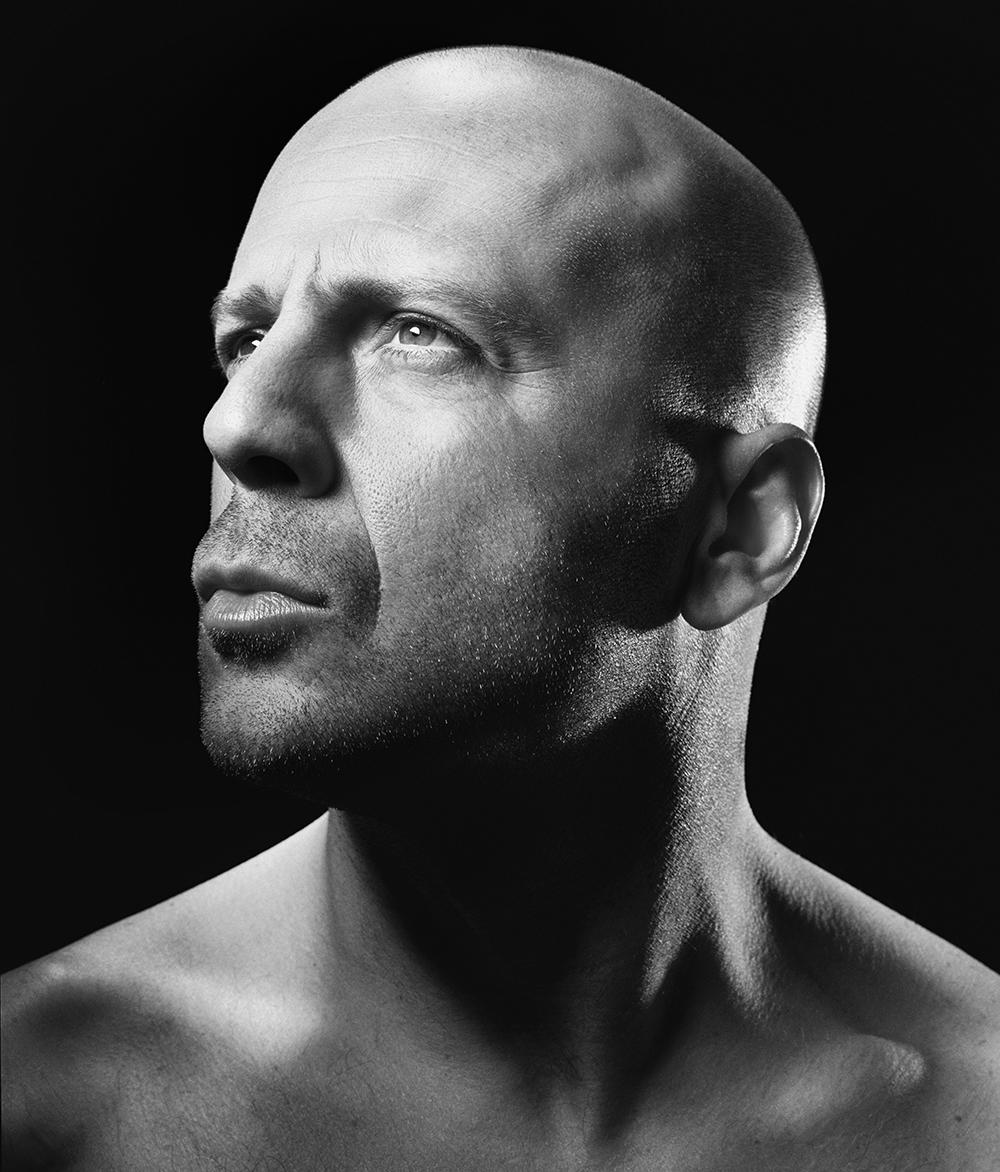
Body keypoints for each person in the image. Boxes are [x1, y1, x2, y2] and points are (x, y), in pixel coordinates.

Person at [3, 44, 997, 1171]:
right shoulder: (42, 1108)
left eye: (419, 333)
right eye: (248, 339)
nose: (238, 424)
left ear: (739, 528)